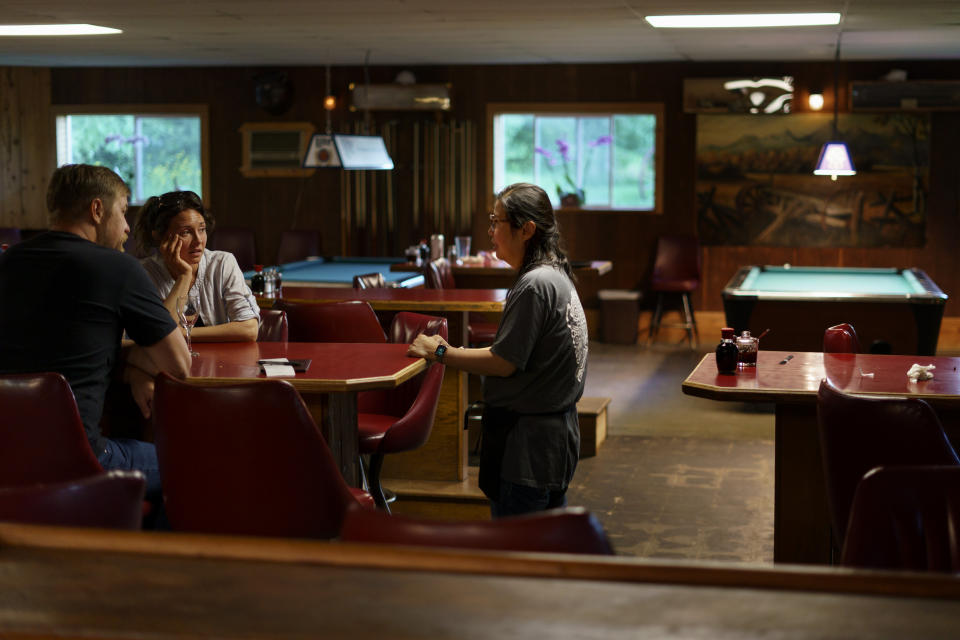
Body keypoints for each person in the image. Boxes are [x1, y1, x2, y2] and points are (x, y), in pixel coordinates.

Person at [0, 164, 192, 501]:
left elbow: (58, 345)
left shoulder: (8, 261)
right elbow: (179, 365)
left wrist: (127, 363)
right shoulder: (118, 268)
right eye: (122, 212)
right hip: (79, 460)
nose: (128, 228)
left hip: (6, 456)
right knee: (192, 463)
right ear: (97, 210)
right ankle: (134, 551)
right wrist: (134, 363)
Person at [408, 183, 588, 517]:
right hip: (552, 439)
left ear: (527, 229)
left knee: (516, 559)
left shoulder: (535, 286)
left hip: (528, 447)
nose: (490, 231)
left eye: (496, 221)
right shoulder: (556, 275)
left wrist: (441, 352)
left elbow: (504, 362)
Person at [132, 190, 259, 342]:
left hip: (223, 362)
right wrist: (184, 277)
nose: (198, 240)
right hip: (170, 365)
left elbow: (250, 329)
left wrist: (184, 333)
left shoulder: (222, 263)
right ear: (160, 236)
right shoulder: (144, 273)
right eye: (186, 232)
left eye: (202, 229)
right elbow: (158, 335)